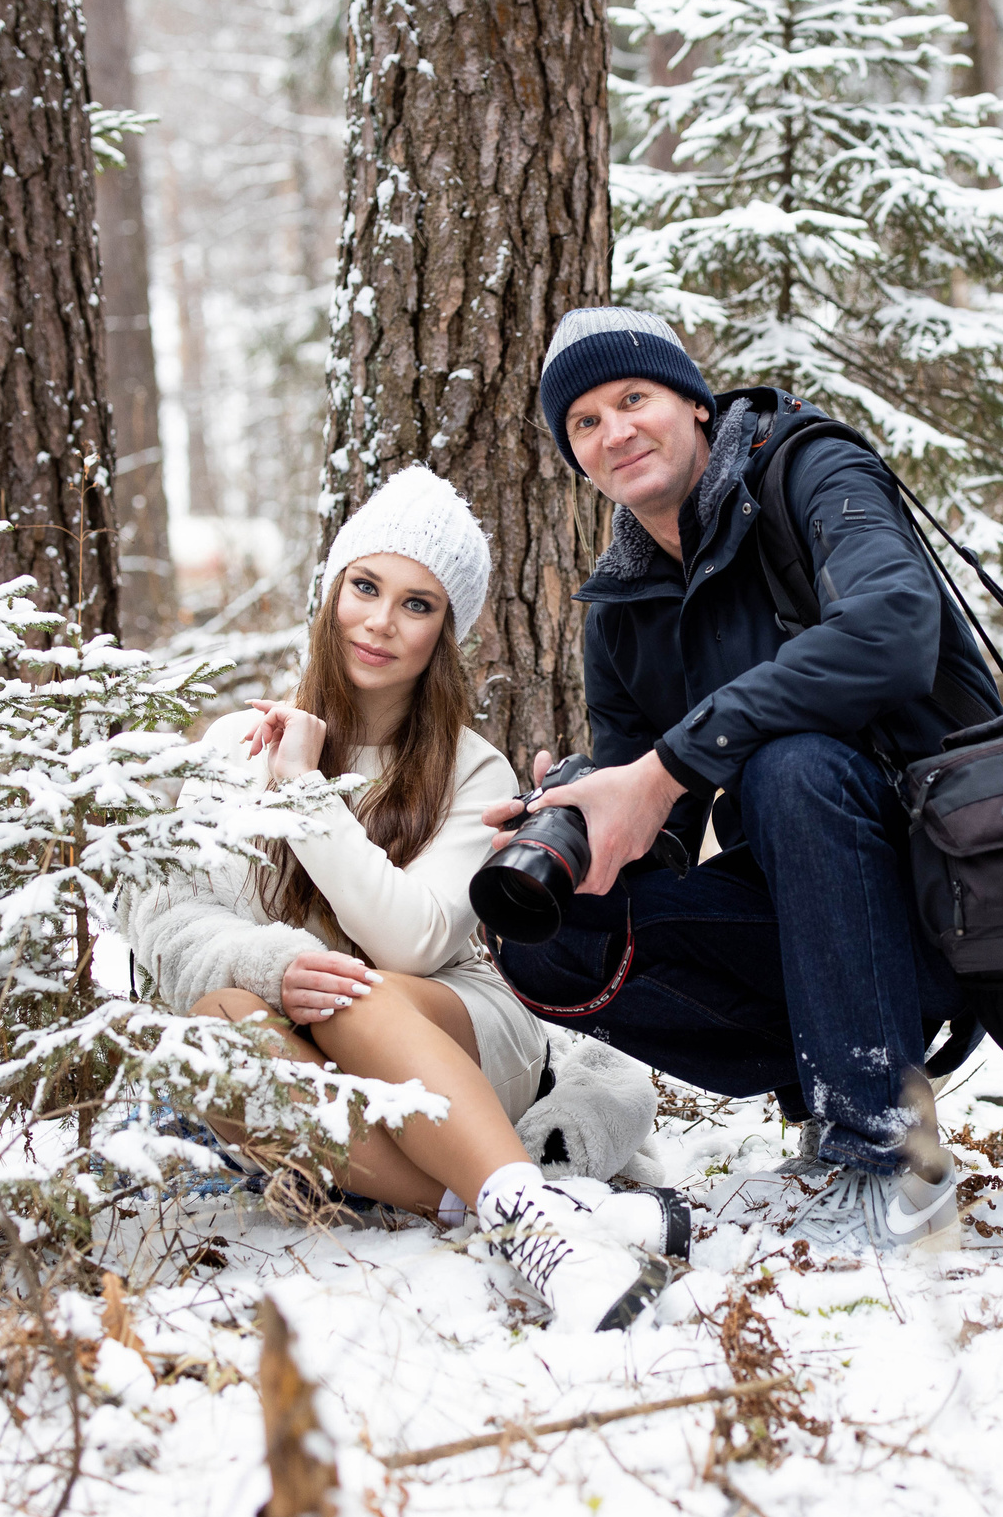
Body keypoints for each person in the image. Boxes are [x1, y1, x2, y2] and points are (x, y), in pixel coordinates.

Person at [484, 308, 1003, 1255]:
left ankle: (890, 1150)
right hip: (817, 922)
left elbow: (891, 628)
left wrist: (672, 761)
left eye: (633, 398)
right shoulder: (622, 608)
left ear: (691, 399)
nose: (616, 432)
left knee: (791, 764)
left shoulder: (809, 467)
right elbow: (665, 824)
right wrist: (585, 816)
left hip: (962, 887)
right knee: (554, 938)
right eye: (586, 423)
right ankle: (829, 1102)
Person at [125, 466, 675, 1332]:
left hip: (451, 1025)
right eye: (366, 586)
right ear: (332, 590)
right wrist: (274, 965)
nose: (380, 621)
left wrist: (306, 795)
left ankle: (532, 1226)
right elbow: (171, 921)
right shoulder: (238, 741)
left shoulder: (472, 766)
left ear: (443, 632)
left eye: (416, 604)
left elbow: (412, 941)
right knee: (217, 1034)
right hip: (300, 1033)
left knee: (360, 991)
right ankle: (521, 1212)